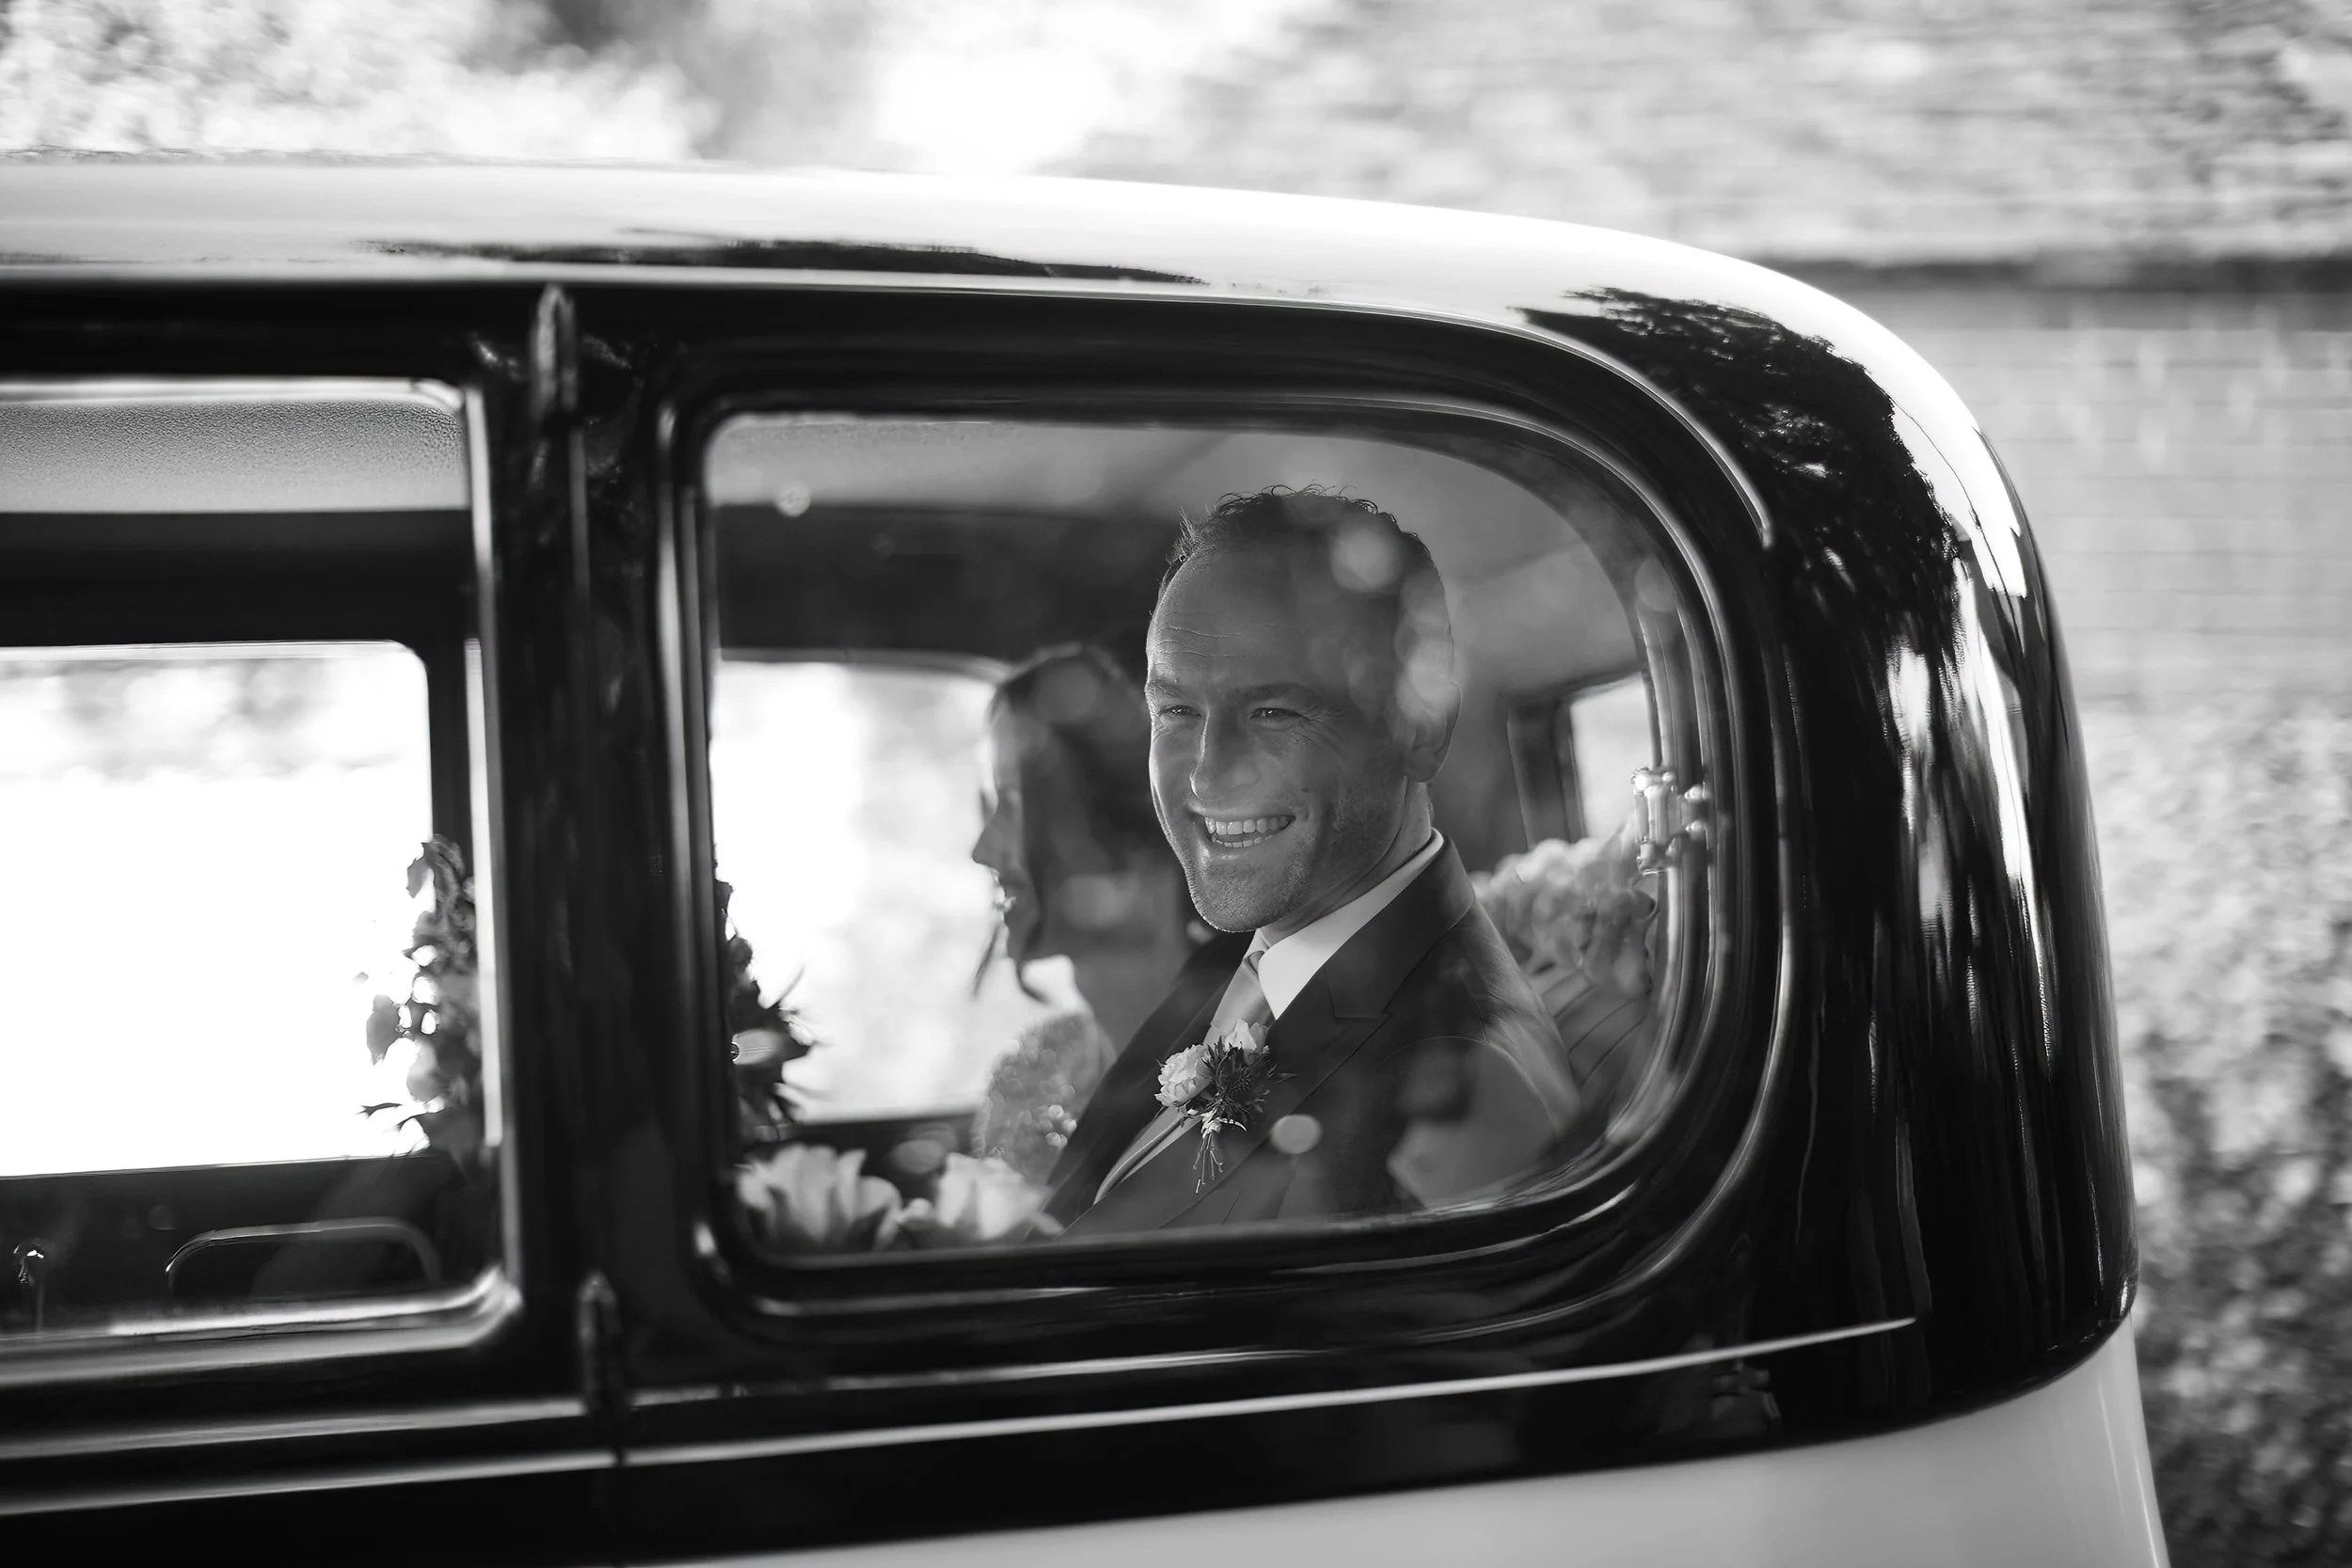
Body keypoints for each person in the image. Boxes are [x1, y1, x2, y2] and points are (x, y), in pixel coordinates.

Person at [1044, 488, 1581, 1235]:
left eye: (1274, 712)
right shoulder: (1247, 961)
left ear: (1421, 732)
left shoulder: (1467, 1094)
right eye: (1177, 711)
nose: (1206, 775)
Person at [967, 644, 1212, 1184]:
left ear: (1137, 832)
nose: (982, 851)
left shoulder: (1243, 1070)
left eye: (1014, 805)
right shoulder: (1029, 1068)